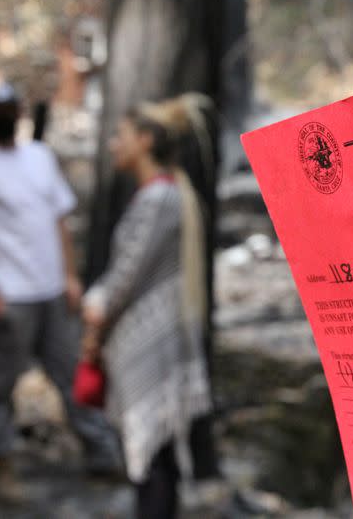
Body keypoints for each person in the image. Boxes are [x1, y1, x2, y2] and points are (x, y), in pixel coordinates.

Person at [0, 83, 118, 496]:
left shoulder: (39, 158)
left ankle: (103, 457)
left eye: (11, 108)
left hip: (52, 291)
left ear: (20, 113)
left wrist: (71, 276)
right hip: (10, 294)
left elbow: (59, 219)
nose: (5, 115)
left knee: (71, 373)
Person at [81, 98, 212, 519]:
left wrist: (93, 306)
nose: (113, 145)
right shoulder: (163, 197)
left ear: (145, 140)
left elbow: (123, 278)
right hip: (150, 345)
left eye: (120, 136)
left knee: (151, 460)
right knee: (157, 458)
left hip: (148, 350)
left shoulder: (158, 201)